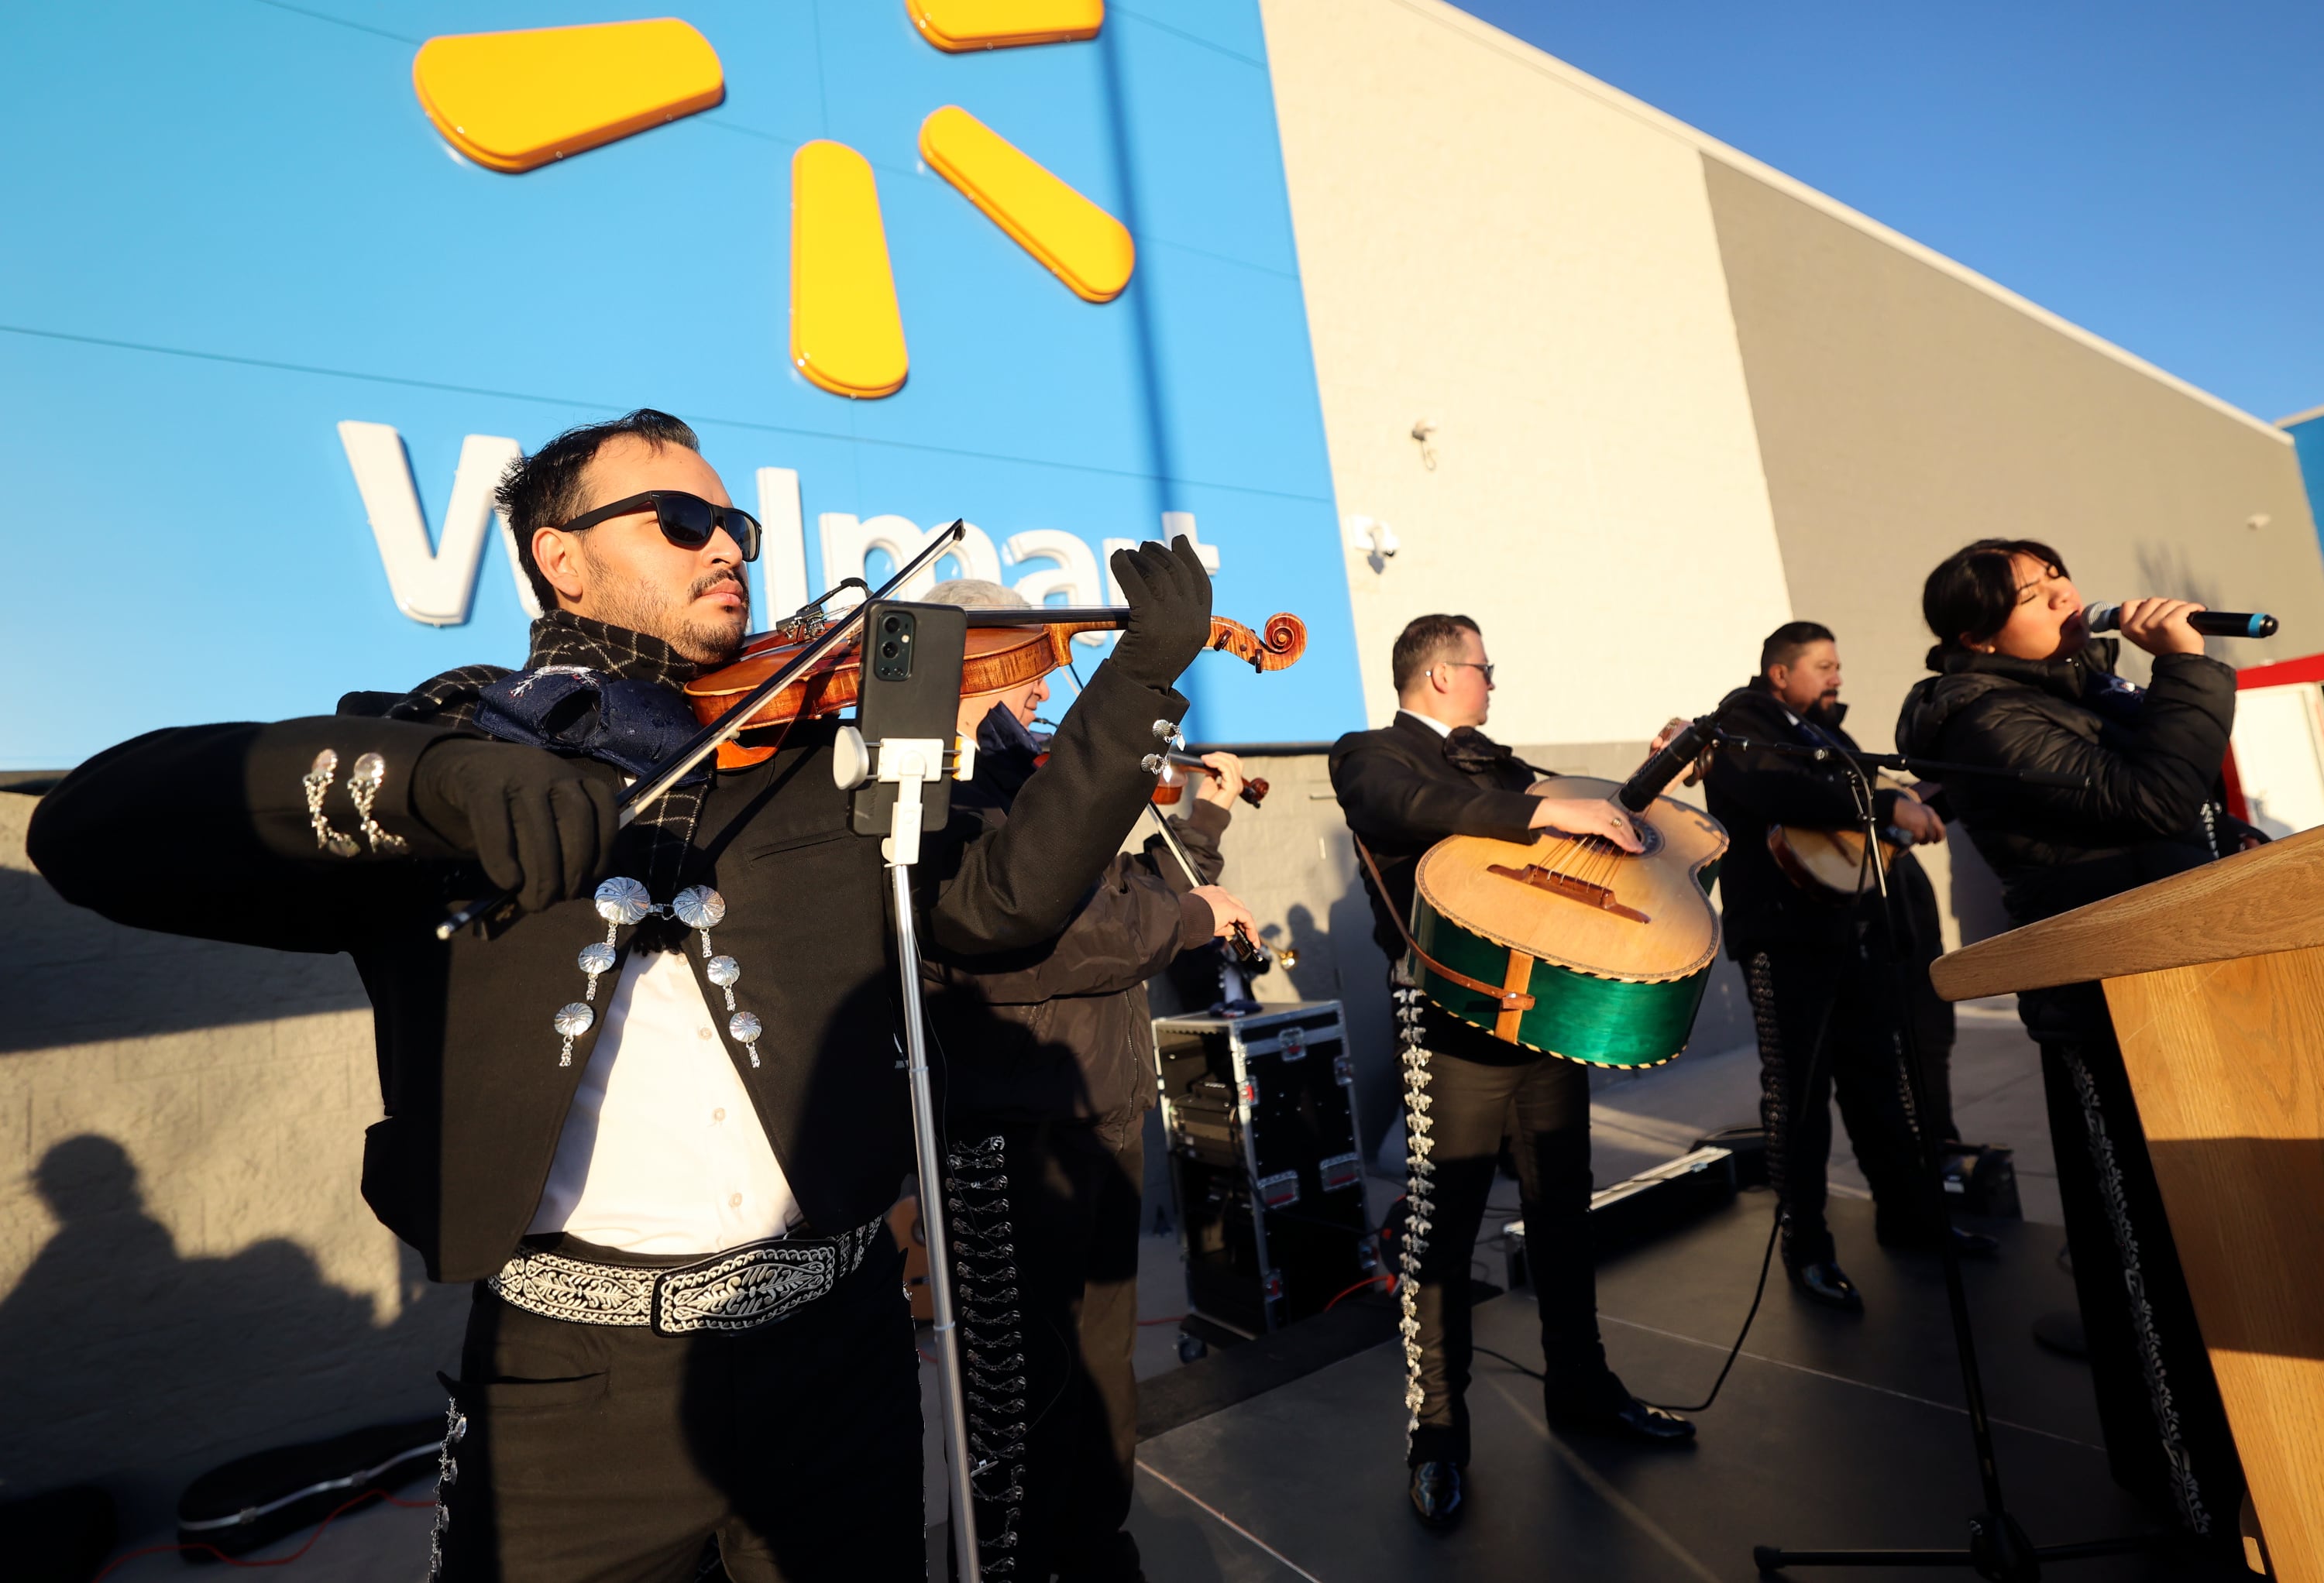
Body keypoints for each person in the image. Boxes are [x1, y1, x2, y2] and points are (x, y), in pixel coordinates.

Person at [26, 410, 1220, 1583]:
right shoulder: (456, 746)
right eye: (684, 520)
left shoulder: (816, 761)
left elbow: (1003, 905)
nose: (729, 550)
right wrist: (430, 783)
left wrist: (1139, 682)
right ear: (562, 559)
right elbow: (90, 831)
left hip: (837, 1355)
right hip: (568, 1391)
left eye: (737, 526)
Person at [1894, 538, 2249, 1542]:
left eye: (2064, 581)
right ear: (1973, 631)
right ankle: (2192, 1488)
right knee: (2147, 1244)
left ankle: (2267, 1438)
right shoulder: (1975, 711)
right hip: (2110, 1000)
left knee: (2228, 1223)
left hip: (2200, 975)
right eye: (2036, 593)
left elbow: (2183, 813)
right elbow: (2149, 800)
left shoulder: (2086, 690)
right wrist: (2186, 668)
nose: (2068, 599)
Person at [916, 579, 1258, 1582]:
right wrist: (1193, 917)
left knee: (1106, 1379)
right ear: (967, 662)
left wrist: (1197, 831)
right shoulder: (933, 789)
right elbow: (1060, 941)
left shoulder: (1030, 773)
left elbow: (1123, 900)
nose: (1044, 683)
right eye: (1024, 662)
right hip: (1011, 1135)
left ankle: (1098, 1551)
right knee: (1023, 1402)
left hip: (1104, 1113)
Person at [1329, 613, 1693, 1533]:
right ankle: (1438, 1438)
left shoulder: (1504, 761)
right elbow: (1404, 808)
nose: (1494, 683)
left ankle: (1582, 1385)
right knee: (1442, 1231)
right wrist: (1543, 810)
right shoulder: (1370, 752)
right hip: (1449, 1014)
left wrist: (1651, 790)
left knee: (1564, 1208)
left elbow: (1592, 834)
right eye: (1487, 668)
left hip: (1543, 1012)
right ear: (1445, 674)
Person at [1695, 621, 1986, 1315]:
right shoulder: (1743, 723)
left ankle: (1910, 1219)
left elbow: (1864, 827)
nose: (1837, 677)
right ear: (1779, 674)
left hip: (1853, 931)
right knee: (1798, 1099)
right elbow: (1780, 792)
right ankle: (1808, 1247)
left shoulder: (1835, 738)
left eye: (1838, 664)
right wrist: (1886, 803)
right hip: (1785, 938)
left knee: (1879, 1083)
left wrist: (1912, 813)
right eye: (1824, 665)